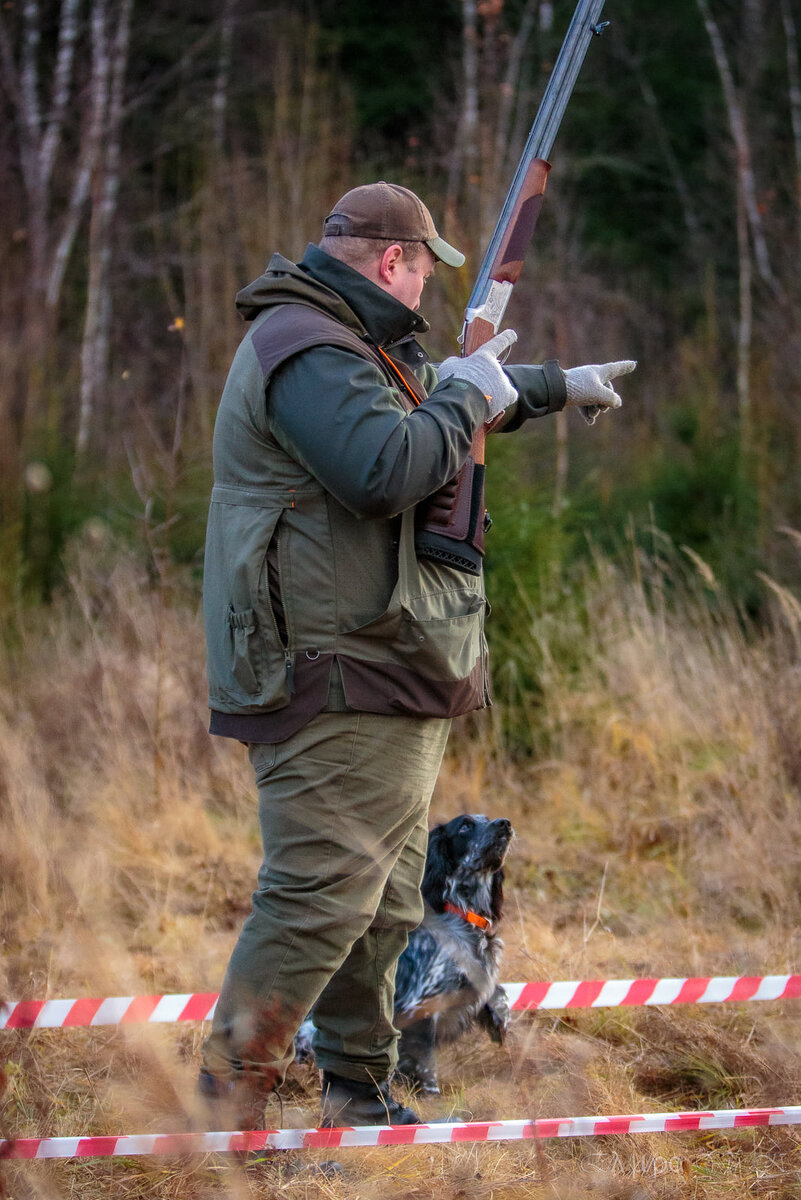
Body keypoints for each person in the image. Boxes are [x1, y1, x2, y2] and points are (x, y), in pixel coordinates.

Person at [199, 181, 635, 1129]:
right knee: (318, 900)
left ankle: (359, 1097)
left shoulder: (347, 344)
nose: (424, 293)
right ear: (395, 261)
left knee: (383, 903)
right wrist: (470, 388)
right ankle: (217, 1123)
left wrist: (552, 385)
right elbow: (385, 463)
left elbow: (432, 401)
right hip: (331, 673)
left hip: (376, 663)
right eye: (420, 271)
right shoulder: (304, 346)